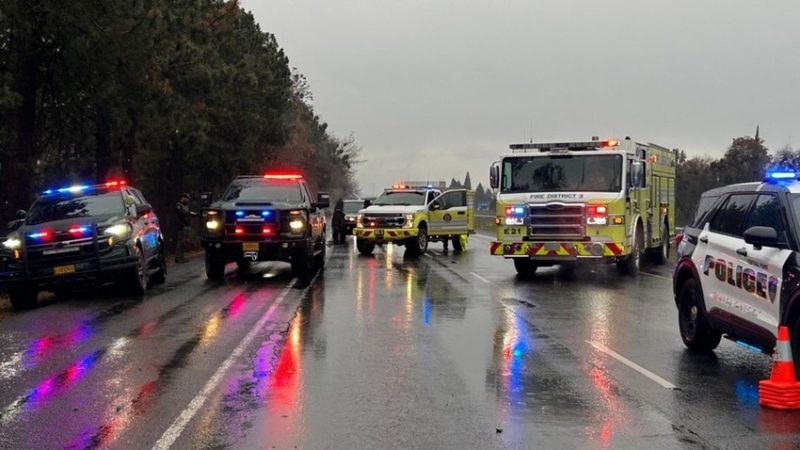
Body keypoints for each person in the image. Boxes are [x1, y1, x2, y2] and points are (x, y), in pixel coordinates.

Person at [175, 193, 196, 263]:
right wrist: (188, 213)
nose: (187, 200)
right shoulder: (178, 205)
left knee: (184, 242)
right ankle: (178, 257)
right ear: (183, 198)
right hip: (180, 225)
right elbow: (181, 213)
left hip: (185, 225)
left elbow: (187, 213)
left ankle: (182, 257)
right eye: (187, 198)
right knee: (180, 242)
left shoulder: (186, 206)